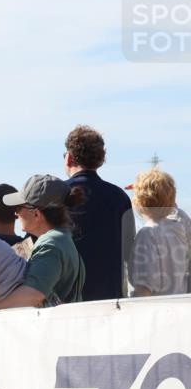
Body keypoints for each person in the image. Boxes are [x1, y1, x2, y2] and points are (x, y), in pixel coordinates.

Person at [63, 125, 134, 301]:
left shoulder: (58, 194)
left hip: (68, 302)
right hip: (111, 299)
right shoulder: (119, 197)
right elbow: (129, 251)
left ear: (69, 158)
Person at [0, 175, 86, 308]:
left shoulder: (50, 244)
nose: (16, 214)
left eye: (18, 208)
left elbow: (33, 295)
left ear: (36, 214)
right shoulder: (61, 238)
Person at [127, 168, 191, 296]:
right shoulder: (179, 230)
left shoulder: (147, 234)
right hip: (179, 308)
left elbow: (143, 287)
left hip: (156, 311)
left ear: (139, 201)